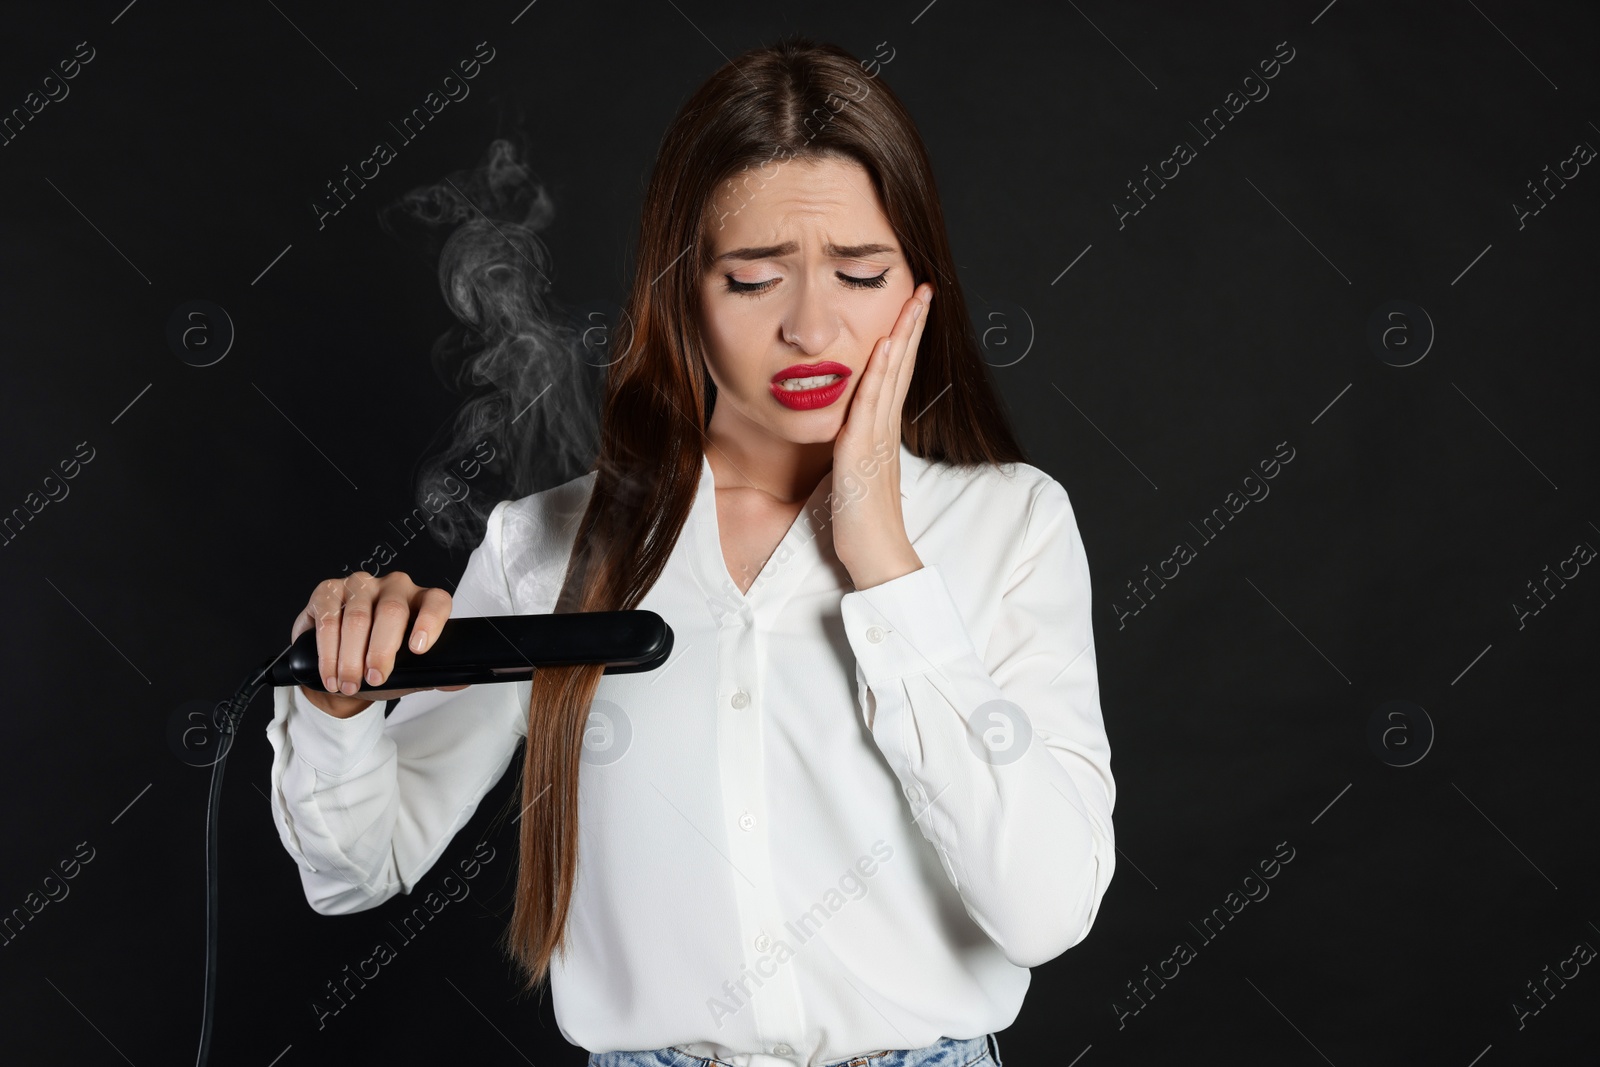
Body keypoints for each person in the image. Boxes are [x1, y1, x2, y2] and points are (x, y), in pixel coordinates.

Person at [265, 35, 1114, 1067]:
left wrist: (886, 560)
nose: (812, 325)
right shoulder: (547, 545)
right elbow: (354, 867)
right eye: (754, 279)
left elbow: (1044, 909)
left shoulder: (1008, 526)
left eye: (859, 271)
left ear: (919, 286)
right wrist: (337, 703)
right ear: (684, 293)